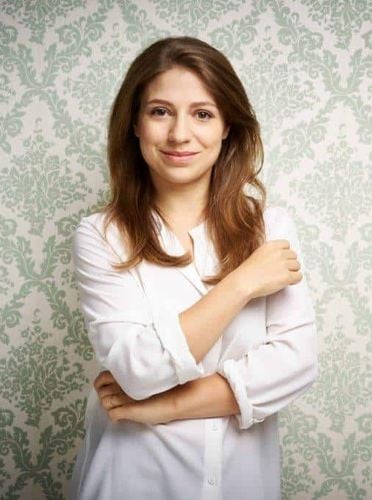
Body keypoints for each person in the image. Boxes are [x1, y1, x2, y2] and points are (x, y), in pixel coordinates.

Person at [69, 36, 318, 500]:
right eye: (160, 111)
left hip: (242, 481)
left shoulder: (270, 227)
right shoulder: (101, 235)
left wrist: (162, 407)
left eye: (202, 114)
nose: (180, 134)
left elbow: (296, 364)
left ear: (227, 127)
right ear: (135, 125)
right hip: (132, 478)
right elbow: (136, 369)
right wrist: (242, 283)